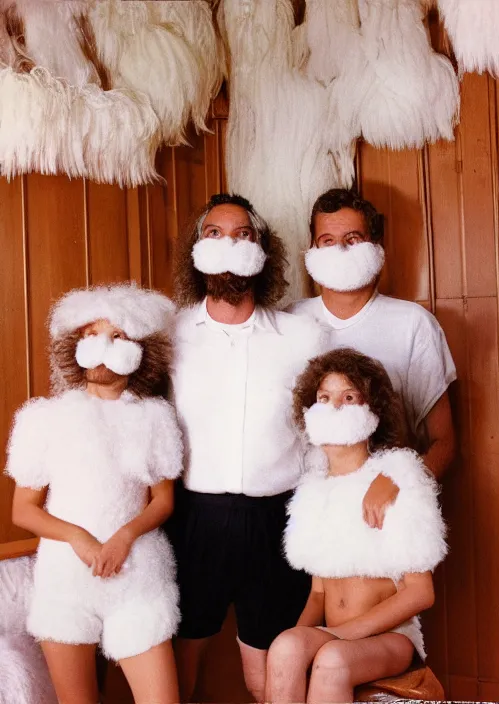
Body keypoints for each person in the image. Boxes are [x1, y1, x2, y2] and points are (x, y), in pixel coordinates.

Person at [168, 193, 327, 702]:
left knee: (269, 673)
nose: (228, 244)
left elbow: (322, 432)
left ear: (262, 251)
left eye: (242, 234)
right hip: (193, 520)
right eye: (214, 233)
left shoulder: (303, 336)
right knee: (178, 662)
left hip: (276, 521)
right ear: (196, 250)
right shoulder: (169, 336)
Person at [5, 284, 183, 704]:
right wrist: (78, 537)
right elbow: (23, 511)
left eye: (118, 335)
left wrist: (124, 537)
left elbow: (163, 500)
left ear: (140, 348)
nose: (104, 343)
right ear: (75, 346)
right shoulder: (44, 419)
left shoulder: (155, 417)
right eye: (93, 333)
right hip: (65, 581)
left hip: (138, 575)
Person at [265, 348, 447, 703]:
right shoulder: (312, 493)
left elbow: (421, 592)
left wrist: (344, 634)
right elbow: (318, 593)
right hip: (336, 634)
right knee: (284, 646)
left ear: (372, 411)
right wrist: (294, 651)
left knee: (332, 659)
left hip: (391, 639)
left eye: (349, 397)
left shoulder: (395, 482)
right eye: (324, 397)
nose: (335, 407)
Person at [288, 188, 456, 528]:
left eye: (353, 238)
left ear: (375, 247)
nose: (341, 250)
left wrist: (400, 485)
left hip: (385, 516)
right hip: (309, 511)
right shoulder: (289, 323)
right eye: (327, 240)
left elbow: (445, 442)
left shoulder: (413, 324)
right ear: (312, 251)